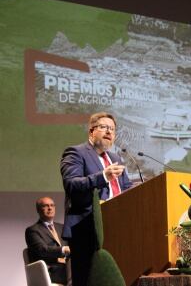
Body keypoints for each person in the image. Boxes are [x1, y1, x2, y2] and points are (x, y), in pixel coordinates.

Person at [61, 112, 133, 286]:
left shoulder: (115, 158)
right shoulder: (76, 152)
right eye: (104, 127)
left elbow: (125, 188)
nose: (109, 132)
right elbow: (71, 184)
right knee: (88, 280)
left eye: (112, 129)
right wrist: (102, 176)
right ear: (91, 131)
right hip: (86, 229)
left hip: (117, 227)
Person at [25, 197, 71, 285]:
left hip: (67, 268)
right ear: (38, 210)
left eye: (52, 205)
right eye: (46, 206)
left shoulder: (62, 227)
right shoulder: (32, 230)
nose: (50, 208)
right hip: (51, 271)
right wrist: (64, 249)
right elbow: (41, 250)